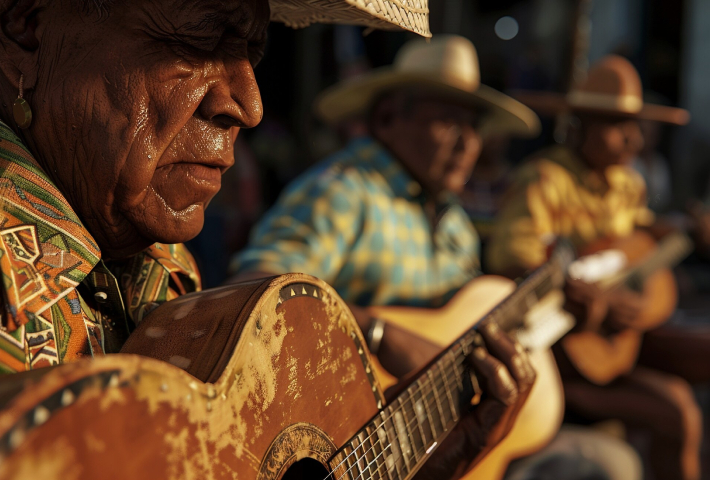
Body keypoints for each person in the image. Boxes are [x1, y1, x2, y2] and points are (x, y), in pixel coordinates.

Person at [0, 1, 532, 477]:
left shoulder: (161, 259)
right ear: (23, 22)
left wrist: (422, 464)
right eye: (199, 38)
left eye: (252, 53)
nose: (249, 105)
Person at [230, 36, 641, 479]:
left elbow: (471, 320)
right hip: (353, 448)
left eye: (476, 128)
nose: (468, 143)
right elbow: (253, 289)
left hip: (435, 441)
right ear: (387, 118)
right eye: (449, 121)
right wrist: (383, 335)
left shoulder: (455, 223)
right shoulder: (343, 191)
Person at [488, 55, 701, 480]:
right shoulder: (544, 180)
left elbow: (637, 241)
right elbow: (511, 260)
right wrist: (574, 290)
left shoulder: (629, 184)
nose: (632, 141)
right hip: (557, 357)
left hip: (609, 344)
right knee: (677, 409)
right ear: (580, 125)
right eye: (617, 126)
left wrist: (687, 230)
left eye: (635, 127)